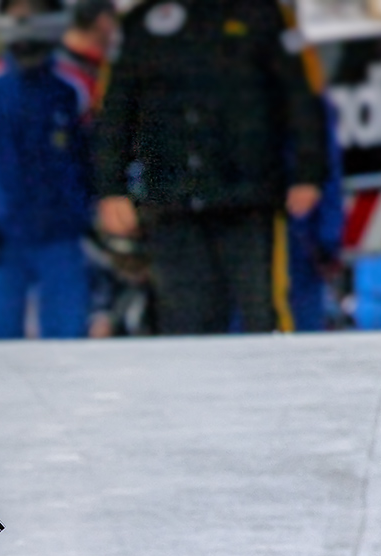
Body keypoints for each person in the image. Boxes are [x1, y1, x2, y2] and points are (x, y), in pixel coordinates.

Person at [92, 0, 327, 335]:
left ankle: (274, 383)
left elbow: (301, 98)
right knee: (184, 322)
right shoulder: (141, 24)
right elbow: (114, 112)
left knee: (263, 313)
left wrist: (309, 172)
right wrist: (111, 188)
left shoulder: (263, 14)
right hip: (170, 201)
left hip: (249, 197)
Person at [0, 0, 97, 340]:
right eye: (17, 15)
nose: (26, 23)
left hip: (64, 239)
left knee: (68, 343)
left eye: (35, 13)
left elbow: (98, 161)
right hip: (1, 240)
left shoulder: (78, 89)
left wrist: (95, 219)